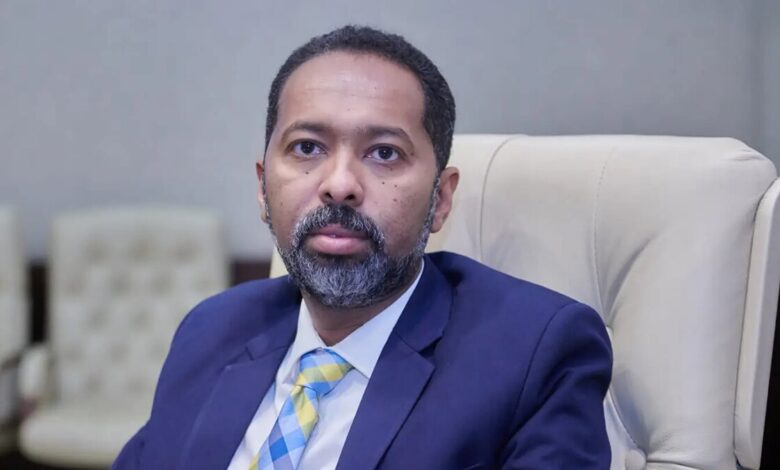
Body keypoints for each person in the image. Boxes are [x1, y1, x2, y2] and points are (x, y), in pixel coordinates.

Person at [114, 25, 612, 469]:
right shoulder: (211, 330)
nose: (340, 185)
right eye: (307, 147)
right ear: (263, 189)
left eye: (384, 153)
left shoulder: (537, 354)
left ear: (440, 199)